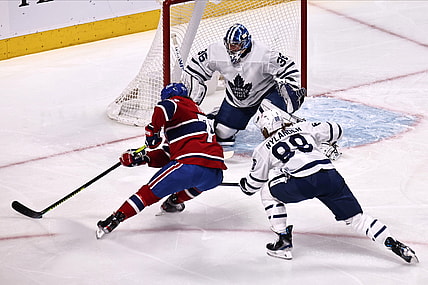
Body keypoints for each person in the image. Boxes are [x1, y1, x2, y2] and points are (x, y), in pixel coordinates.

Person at [238, 109, 419, 264]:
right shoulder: (303, 127)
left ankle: (283, 240)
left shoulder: (263, 148)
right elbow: (336, 129)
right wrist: (319, 141)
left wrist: (244, 185)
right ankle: (395, 244)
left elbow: (254, 184)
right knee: (357, 218)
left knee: (268, 192)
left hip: (303, 183)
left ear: (264, 128)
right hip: (330, 177)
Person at [96, 83, 227, 239]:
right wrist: (142, 158)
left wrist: (152, 130)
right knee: (196, 183)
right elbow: (167, 155)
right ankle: (173, 202)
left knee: (148, 193)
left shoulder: (178, 103)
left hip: (190, 164)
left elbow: (164, 107)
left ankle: (113, 220)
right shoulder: (195, 115)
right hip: (215, 173)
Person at [182, 23, 306, 146]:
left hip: (265, 94)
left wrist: (291, 86)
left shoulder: (263, 54)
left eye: (236, 46)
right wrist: (191, 96)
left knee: (270, 115)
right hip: (237, 100)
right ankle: (217, 115)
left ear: (245, 43)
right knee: (223, 134)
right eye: (229, 45)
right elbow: (195, 67)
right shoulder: (216, 51)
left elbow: (289, 67)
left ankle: (291, 125)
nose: (232, 49)